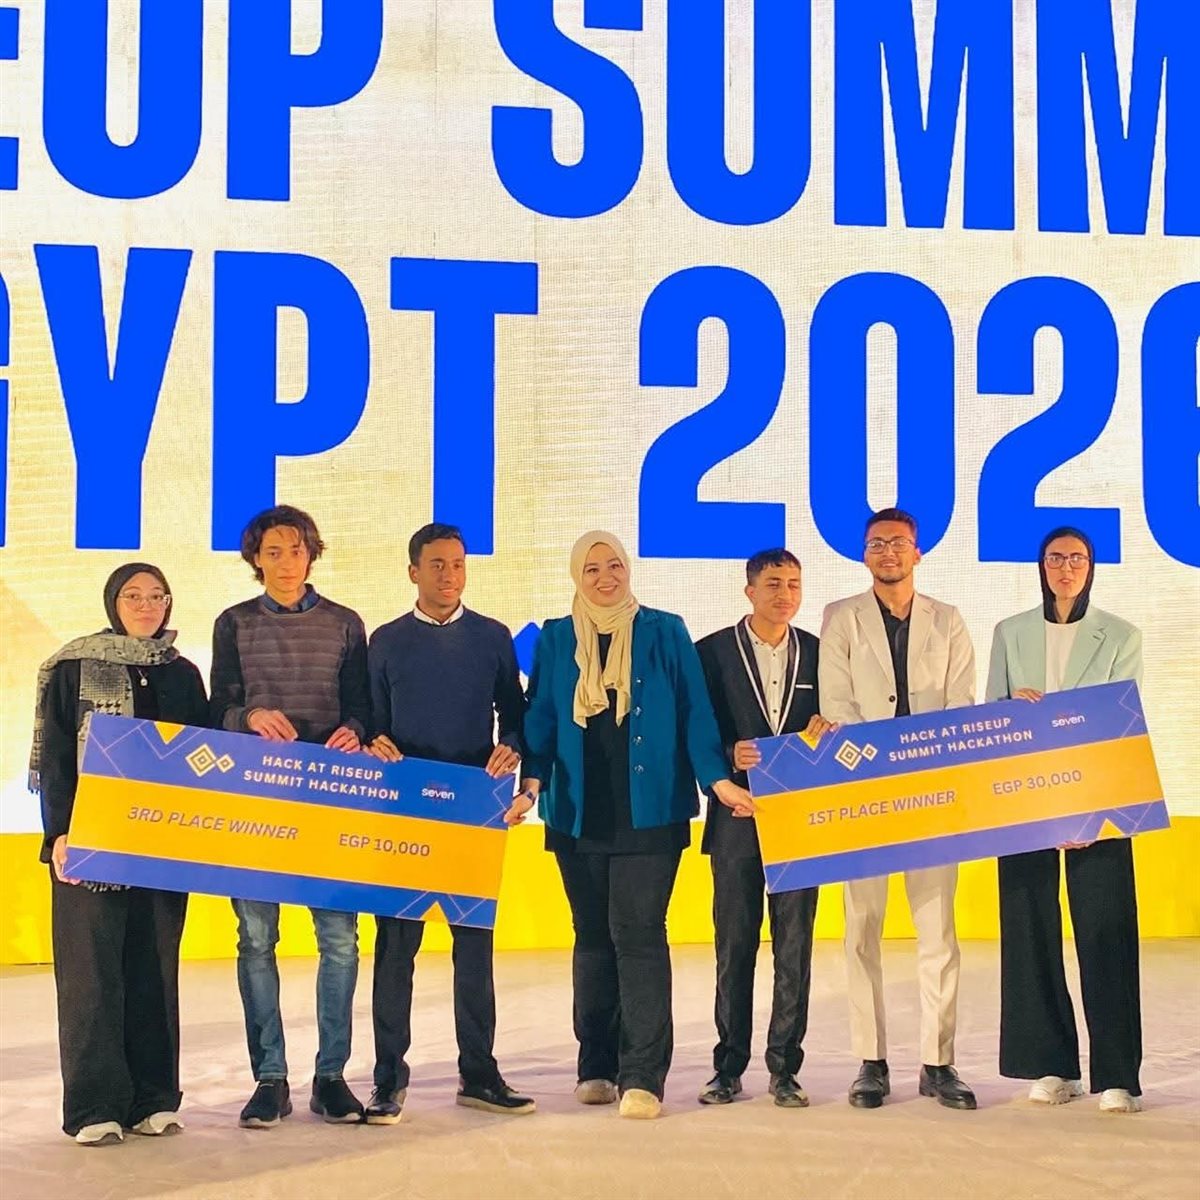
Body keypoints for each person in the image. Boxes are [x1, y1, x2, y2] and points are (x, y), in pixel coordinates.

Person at [506, 532, 754, 1120]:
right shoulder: (557, 637)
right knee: (591, 936)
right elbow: (541, 719)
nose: (605, 577)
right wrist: (531, 784)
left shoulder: (665, 631)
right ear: (577, 575)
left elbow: (695, 712)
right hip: (576, 811)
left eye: (614, 565)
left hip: (651, 810)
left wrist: (717, 780)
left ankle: (643, 1075)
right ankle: (596, 1064)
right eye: (592, 568)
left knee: (638, 935)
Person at [31, 563, 209, 1146]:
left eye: (157, 596)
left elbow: (204, 756)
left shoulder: (182, 673)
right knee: (92, 975)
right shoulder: (75, 666)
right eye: (134, 596)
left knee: (154, 971)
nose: (146, 605)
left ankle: (153, 1099)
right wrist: (59, 834)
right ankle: (94, 1107)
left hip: (162, 847)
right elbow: (58, 757)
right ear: (114, 603)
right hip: (88, 843)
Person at [364, 523, 534, 1122]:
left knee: (475, 950)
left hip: (472, 809)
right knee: (395, 950)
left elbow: (515, 715)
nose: (449, 574)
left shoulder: (493, 636)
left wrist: (512, 746)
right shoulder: (385, 640)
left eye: (458, 564)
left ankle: (479, 1074)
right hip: (404, 811)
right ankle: (387, 1079)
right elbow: (370, 720)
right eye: (436, 564)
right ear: (414, 572)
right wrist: (373, 739)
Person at [210, 505, 371, 1128]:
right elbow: (217, 709)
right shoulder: (234, 623)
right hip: (255, 802)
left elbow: (362, 707)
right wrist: (248, 717)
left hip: (329, 802)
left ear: (312, 554)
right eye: (273, 551)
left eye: (296, 549)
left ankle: (331, 1076)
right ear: (256, 559)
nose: (286, 562)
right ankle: (269, 1079)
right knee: (256, 940)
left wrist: (354, 730)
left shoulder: (345, 623)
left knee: (340, 941)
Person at [819, 507, 978, 1110]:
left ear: (918, 552)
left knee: (938, 932)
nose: (889, 552)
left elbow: (961, 703)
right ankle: (871, 1061)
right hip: (864, 794)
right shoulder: (841, 617)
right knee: (862, 929)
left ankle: (938, 1062)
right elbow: (836, 704)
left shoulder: (949, 619)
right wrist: (882, 766)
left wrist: (923, 764)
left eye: (899, 543)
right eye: (877, 543)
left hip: (932, 794)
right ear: (865, 554)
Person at [986, 526, 1145, 1113]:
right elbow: (993, 715)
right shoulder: (1011, 632)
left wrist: (1088, 806)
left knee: (1106, 931)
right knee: (1029, 928)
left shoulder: (1121, 635)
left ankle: (1118, 1075)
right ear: (1041, 565)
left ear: (1091, 566)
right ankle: (1051, 1064)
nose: (1066, 567)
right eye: (1056, 558)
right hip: (1025, 800)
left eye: (1077, 558)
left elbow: (1121, 721)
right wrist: (1013, 711)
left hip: (1099, 799)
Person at [694, 548, 834, 1109]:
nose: (785, 594)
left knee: (794, 948)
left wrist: (829, 728)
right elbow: (695, 729)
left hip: (798, 822)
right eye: (774, 583)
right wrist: (728, 755)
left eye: (794, 584)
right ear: (749, 589)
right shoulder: (711, 652)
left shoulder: (820, 653)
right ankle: (727, 1067)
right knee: (734, 945)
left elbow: (839, 727)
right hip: (736, 817)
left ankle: (785, 1069)